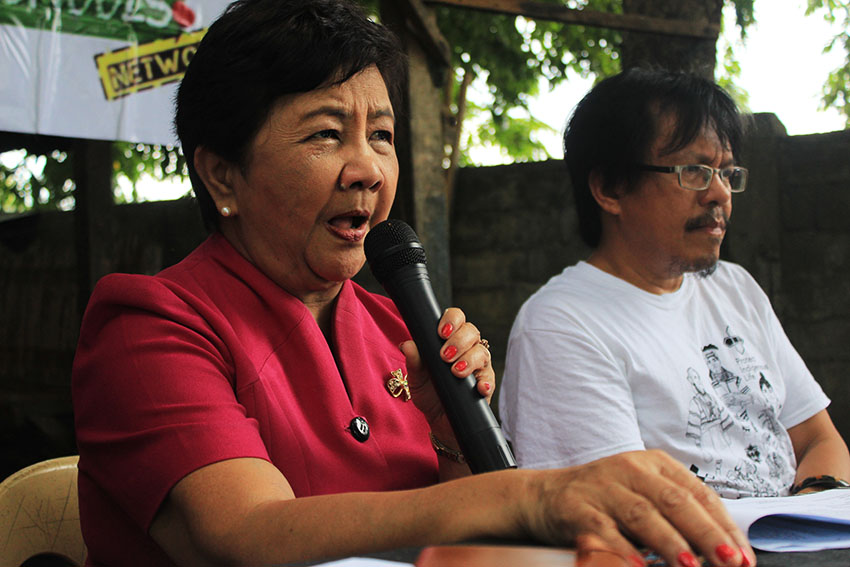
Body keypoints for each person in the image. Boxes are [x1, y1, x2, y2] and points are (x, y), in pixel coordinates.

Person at [71, 4, 754, 566]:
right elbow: (246, 532)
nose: (368, 168)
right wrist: (534, 496)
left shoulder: (398, 327)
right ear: (223, 175)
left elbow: (456, 525)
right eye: (327, 134)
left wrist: (449, 427)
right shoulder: (147, 324)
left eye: (382, 135)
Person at [499, 68, 850, 501]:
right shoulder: (561, 325)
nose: (720, 194)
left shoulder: (734, 287)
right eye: (695, 171)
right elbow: (615, 508)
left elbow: (819, 438)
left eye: (726, 173)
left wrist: (810, 516)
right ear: (610, 187)